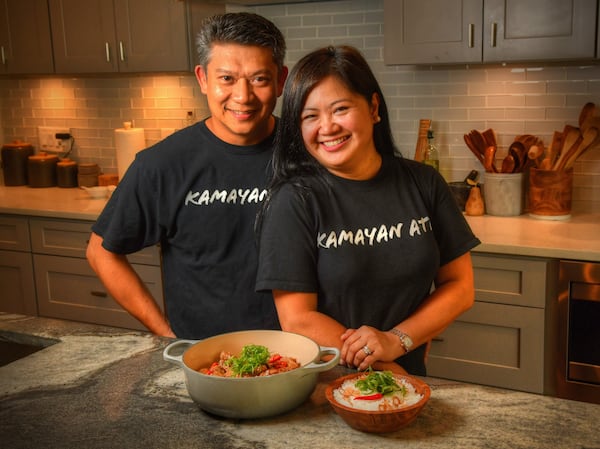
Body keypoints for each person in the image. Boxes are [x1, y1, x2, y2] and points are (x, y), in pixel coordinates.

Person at [255, 45, 480, 375]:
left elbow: (460, 287)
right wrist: (388, 371)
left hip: (406, 381)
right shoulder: (295, 201)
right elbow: (298, 319)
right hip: (327, 388)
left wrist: (396, 340)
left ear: (373, 107)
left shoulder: (423, 182)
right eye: (310, 116)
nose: (327, 127)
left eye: (340, 109)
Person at [86, 12, 288, 339]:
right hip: (200, 362)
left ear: (280, 80)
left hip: (298, 355)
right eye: (226, 78)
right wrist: (165, 334)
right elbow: (100, 252)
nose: (243, 96)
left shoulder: (308, 153)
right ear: (203, 78)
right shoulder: (163, 163)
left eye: (259, 79)